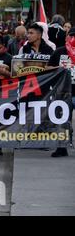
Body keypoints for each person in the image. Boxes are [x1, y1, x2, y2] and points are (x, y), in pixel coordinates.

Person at [46, 27, 75, 157]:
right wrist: (60, 68)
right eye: (71, 36)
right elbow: (47, 68)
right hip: (63, 92)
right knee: (62, 120)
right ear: (66, 38)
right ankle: (61, 147)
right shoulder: (59, 52)